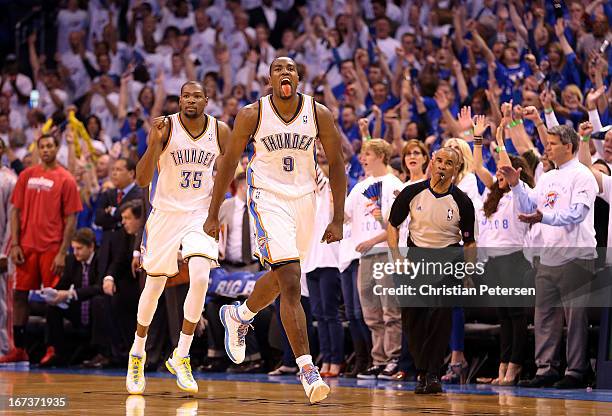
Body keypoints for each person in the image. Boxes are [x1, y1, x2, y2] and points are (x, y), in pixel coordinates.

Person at [204, 57, 346, 404]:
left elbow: (338, 163)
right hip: (267, 196)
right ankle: (307, 368)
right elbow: (228, 164)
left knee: (284, 277)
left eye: (291, 69)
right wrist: (212, 214)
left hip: (305, 199)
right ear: (269, 78)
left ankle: (239, 315)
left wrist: (337, 217)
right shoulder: (252, 114)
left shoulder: (319, 113)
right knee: (292, 278)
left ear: (298, 77)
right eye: (279, 69)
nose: (285, 73)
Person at [126, 81, 230, 395]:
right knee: (154, 286)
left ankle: (181, 354)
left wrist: (214, 214)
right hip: (166, 214)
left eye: (197, 96)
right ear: (180, 100)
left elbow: (225, 175)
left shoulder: (220, 131)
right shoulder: (164, 127)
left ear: (207, 101)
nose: (191, 100)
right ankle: (137, 352)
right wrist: (154, 144)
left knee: (200, 278)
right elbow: (143, 179)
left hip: (199, 214)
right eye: (186, 95)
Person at [500, 124, 597, 389]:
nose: (547, 146)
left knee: (575, 317)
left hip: (576, 255)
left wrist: (546, 217)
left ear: (569, 146)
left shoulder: (583, 175)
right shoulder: (547, 176)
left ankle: (576, 370)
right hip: (548, 255)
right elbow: (530, 204)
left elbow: (578, 213)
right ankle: (546, 368)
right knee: (544, 316)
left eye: (553, 143)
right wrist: (516, 183)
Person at [387, 147, 477, 394]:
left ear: (455, 170)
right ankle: (421, 371)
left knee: (440, 319)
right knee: (413, 320)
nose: (442, 166)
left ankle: (433, 373)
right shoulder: (412, 192)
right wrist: (396, 257)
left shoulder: (462, 201)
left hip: (447, 261)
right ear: (432, 163)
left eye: (449, 163)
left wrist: (467, 272)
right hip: (415, 260)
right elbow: (392, 225)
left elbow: (469, 242)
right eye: (439, 160)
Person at [0, 134, 82, 365]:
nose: (45, 150)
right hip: (26, 246)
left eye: (50, 146)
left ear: (57, 148)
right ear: (37, 150)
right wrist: (15, 243)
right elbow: (15, 211)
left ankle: (52, 347)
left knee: (51, 297)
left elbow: (71, 219)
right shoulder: (26, 175)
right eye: (42, 146)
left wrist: (62, 252)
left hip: (51, 247)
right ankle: (18, 348)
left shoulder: (66, 179)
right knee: (19, 295)